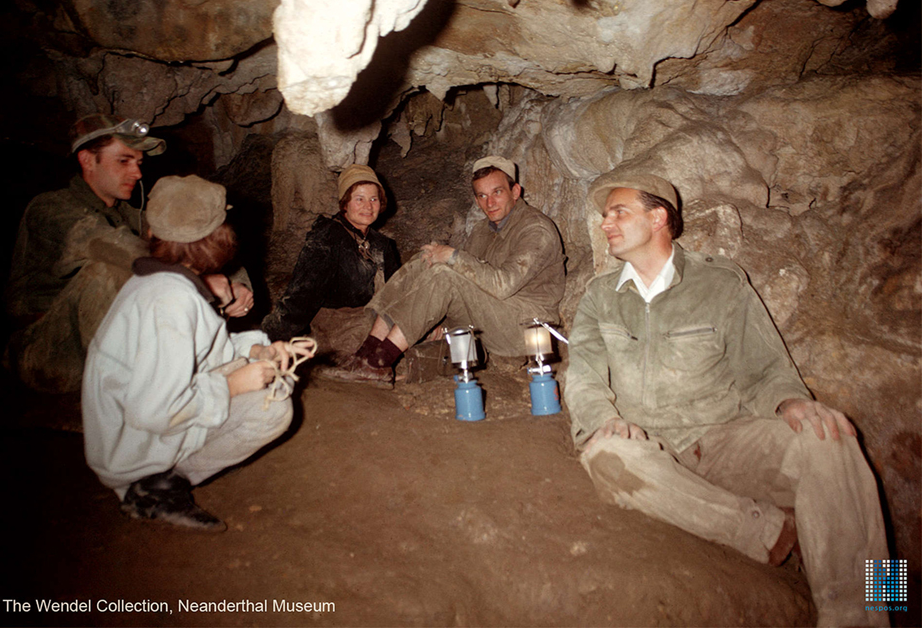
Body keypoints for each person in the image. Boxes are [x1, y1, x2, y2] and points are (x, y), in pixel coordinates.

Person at [565, 172, 889, 627]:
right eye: (604, 216)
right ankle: (762, 530)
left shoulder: (720, 284)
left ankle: (874, 608)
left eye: (619, 212)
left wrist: (791, 403)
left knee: (831, 436)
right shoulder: (600, 297)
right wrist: (604, 418)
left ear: (659, 217)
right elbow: (582, 373)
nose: (606, 224)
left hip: (724, 439)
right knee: (605, 453)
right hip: (652, 450)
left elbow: (765, 367)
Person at [83, 175, 316, 532]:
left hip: (130, 432)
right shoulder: (172, 301)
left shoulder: (161, 283)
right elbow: (154, 410)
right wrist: (234, 386)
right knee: (271, 408)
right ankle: (152, 487)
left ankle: (161, 477)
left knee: (270, 390)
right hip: (130, 446)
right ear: (216, 239)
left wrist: (257, 349)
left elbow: (205, 352)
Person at [5, 114, 253, 393]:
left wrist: (236, 283)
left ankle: (183, 381)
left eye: (138, 162)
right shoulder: (51, 208)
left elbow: (191, 241)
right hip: (46, 350)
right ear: (87, 160)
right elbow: (118, 249)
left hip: (96, 347)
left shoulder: (128, 215)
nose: (136, 173)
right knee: (111, 270)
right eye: (123, 161)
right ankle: (150, 395)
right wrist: (203, 282)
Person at [324, 155, 566, 386]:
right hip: (492, 316)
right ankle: (366, 353)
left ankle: (379, 363)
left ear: (515, 191)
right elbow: (469, 283)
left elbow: (501, 285)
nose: (489, 203)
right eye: (482, 195)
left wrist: (452, 256)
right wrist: (441, 317)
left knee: (445, 271)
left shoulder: (536, 229)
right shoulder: (484, 230)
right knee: (426, 259)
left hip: (526, 328)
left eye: (497, 192)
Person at [261, 164, 400, 351]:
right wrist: (266, 341)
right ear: (345, 202)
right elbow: (301, 296)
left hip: (376, 320)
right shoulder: (328, 237)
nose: (368, 206)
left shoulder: (382, 244)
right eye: (359, 199)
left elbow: (399, 292)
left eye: (373, 199)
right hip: (339, 327)